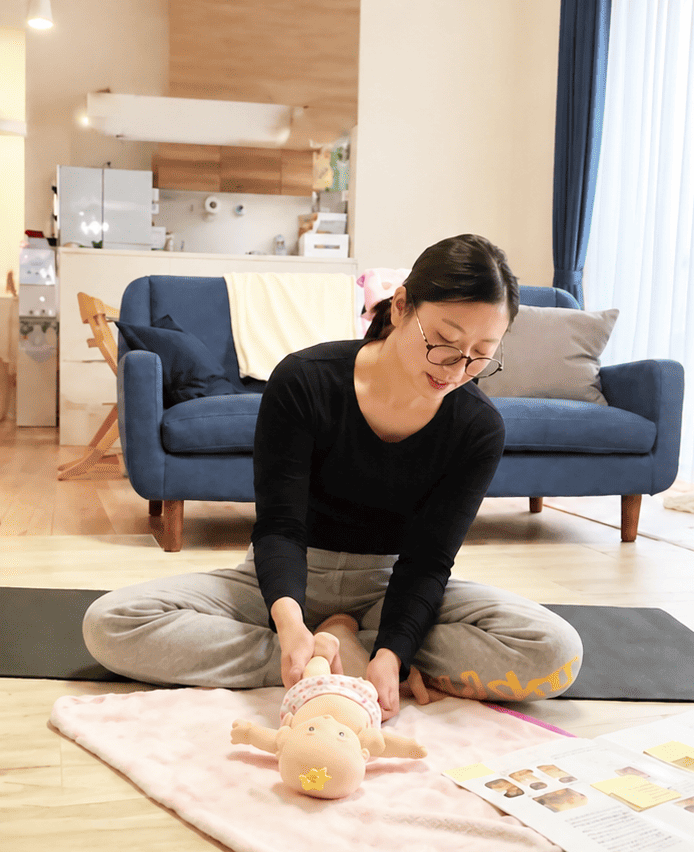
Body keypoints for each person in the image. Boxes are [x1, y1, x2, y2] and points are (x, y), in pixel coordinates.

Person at [84, 234, 583, 719]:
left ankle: (353, 652)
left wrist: (393, 651)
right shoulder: (306, 380)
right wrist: (290, 626)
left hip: (388, 587)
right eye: (446, 342)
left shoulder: (477, 426)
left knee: (556, 652)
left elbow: (428, 561)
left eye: (481, 355)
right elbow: (280, 527)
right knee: (109, 624)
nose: (456, 369)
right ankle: (318, 656)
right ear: (401, 306)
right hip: (284, 581)